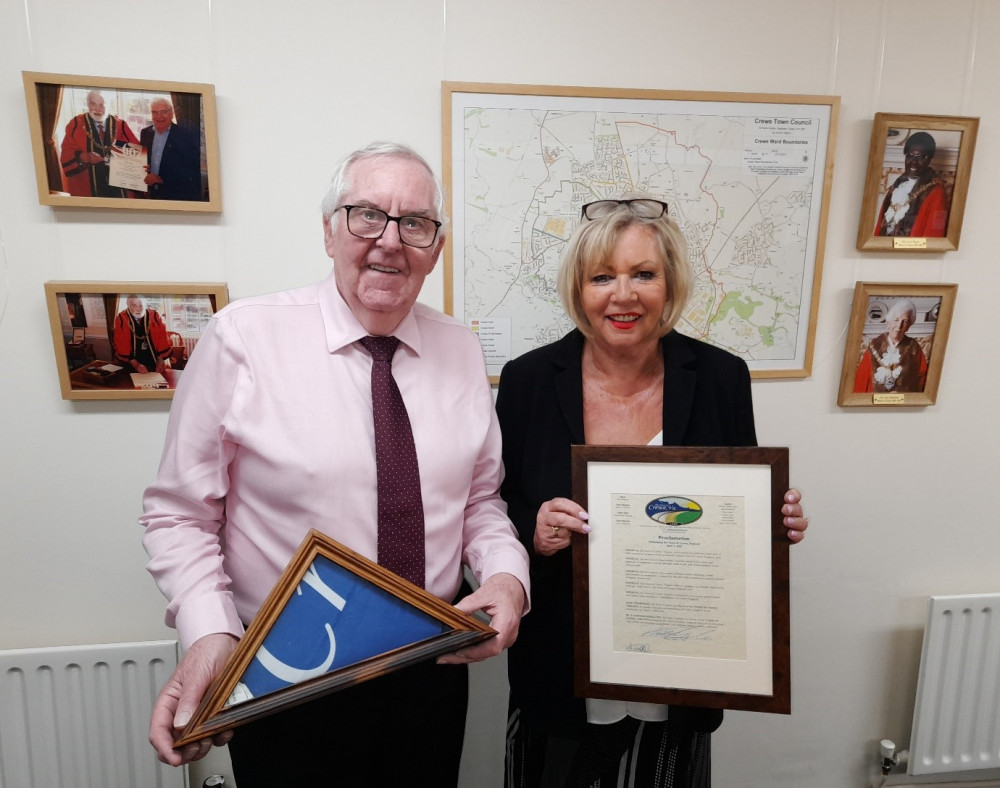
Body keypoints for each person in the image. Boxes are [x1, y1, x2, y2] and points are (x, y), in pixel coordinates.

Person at [140, 141, 530, 786]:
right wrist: (212, 634)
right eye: (366, 215)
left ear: (435, 246)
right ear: (328, 231)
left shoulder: (460, 349)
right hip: (289, 672)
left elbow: (480, 502)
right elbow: (180, 515)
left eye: (416, 223)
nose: (390, 241)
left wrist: (508, 579)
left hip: (428, 666)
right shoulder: (243, 339)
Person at [495, 197, 809, 787]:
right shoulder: (528, 380)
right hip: (561, 662)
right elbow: (493, 509)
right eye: (603, 276)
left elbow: (738, 508)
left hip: (683, 663)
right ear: (578, 287)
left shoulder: (721, 377)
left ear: (670, 284)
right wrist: (531, 527)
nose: (624, 294)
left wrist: (775, 520)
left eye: (644, 274)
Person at [59, 90, 138, 197]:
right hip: (86, 189)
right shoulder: (76, 125)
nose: (97, 109)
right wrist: (84, 157)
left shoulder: (121, 126)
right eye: (93, 104)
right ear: (87, 104)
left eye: (102, 105)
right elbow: (66, 154)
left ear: (109, 106)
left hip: (119, 191)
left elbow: (137, 157)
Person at [875, 131, 949, 238]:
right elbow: (880, 225)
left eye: (920, 157)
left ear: (929, 159)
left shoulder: (936, 192)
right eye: (910, 155)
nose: (913, 162)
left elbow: (934, 236)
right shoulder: (897, 186)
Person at [853, 298, 928, 394]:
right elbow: (861, 382)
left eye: (904, 321)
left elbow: (922, 381)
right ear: (888, 322)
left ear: (908, 326)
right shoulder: (873, 347)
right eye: (896, 320)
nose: (899, 326)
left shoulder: (914, 348)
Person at [140, 98, 203, 201]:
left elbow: (191, 169)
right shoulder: (145, 133)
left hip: (176, 194)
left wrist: (162, 179)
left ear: (171, 113)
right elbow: (143, 160)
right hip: (152, 194)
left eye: (163, 112)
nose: (159, 116)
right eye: (155, 112)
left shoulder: (186, 135)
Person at [113, 295, 172, 375]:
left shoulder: (154, 316)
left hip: (155, 360)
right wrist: (136, 365)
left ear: (146, 305)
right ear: (128, 305)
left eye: (141, 306)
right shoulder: (121, 319)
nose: (138, 309)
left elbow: (162, 339)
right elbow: (121, 344)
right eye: (134, 306)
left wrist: (160, 361)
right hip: (132, 362)